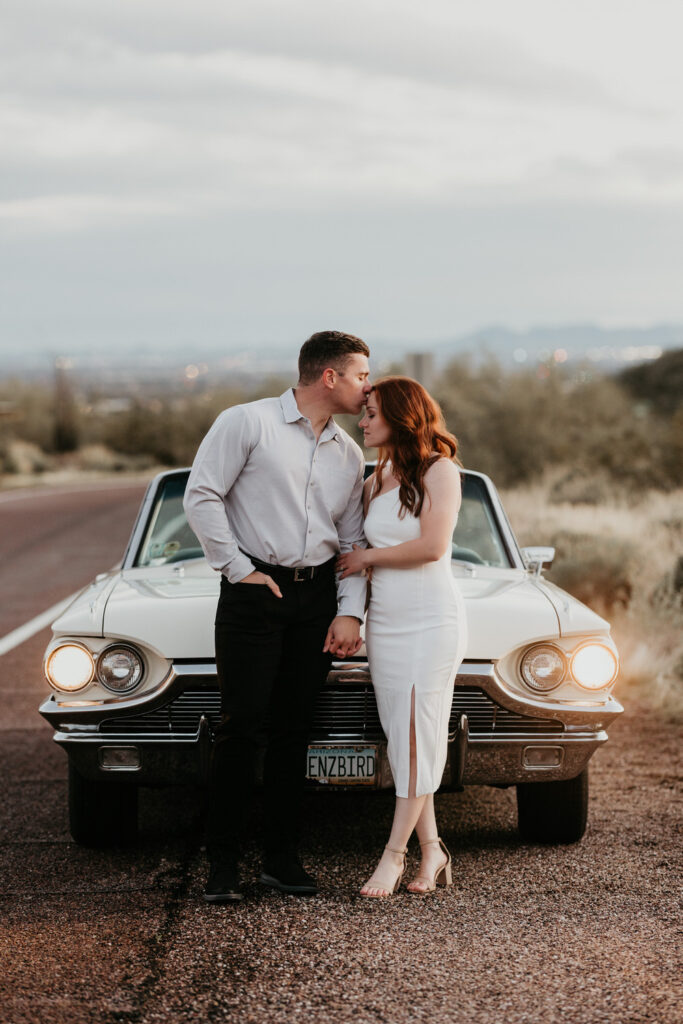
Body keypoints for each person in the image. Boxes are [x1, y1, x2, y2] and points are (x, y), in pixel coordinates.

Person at [184, 330, 371, 903]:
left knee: (294, 732)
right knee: (241, 729)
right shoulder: (247, 422)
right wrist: (238, 570)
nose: (369, 387)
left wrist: (351, 615)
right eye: (362, 375)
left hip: (315, 600)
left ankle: (282, 860)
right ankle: (222, 866)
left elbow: (353, 540)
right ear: (330, 376)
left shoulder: (349, 453)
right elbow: (202, 494)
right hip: (254, 594)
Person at [337, 376, 467, 897]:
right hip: (386, 625)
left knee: (417, 737)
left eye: (370, 413)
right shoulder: (375, 479)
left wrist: (365, 556)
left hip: (431, 621)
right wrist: (350, 618)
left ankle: (393, 856)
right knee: (408, 739)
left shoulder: (440, 470)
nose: (362, 422)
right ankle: (433, 851)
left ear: (400, 414)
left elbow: (433, 546)